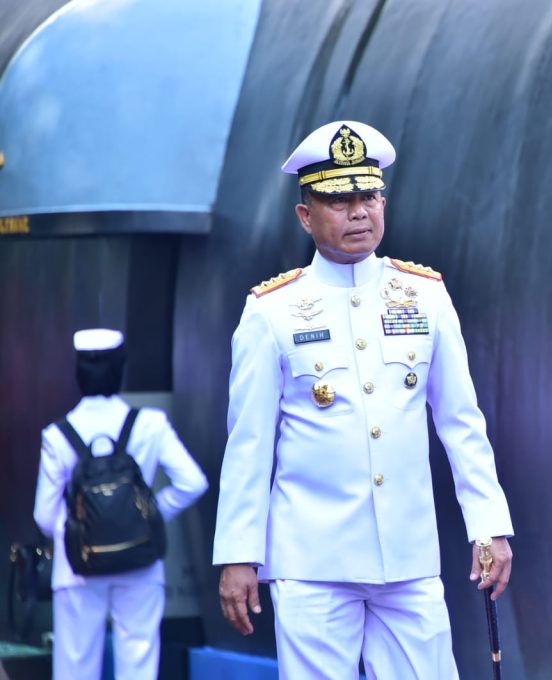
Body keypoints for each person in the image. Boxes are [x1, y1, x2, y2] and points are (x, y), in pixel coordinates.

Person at [212, 120, 514, 679]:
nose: (358, 213)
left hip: (408, 555)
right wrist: (238, 553)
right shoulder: (272, 311)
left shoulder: (424, 296)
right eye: (339, 201)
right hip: (313, 559)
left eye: (369, 197)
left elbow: (460, 421)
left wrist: (489, 523)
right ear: (305, 216)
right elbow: (249, 444)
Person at [33, 328, 208, 680]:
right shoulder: (151, 424)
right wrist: (147, 515)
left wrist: (81, 533)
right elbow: (193, 482)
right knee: (138, 664)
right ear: (119, 369)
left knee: (75, 666)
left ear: (79, 371)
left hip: (77, 569)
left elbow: (44, 516)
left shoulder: (57, 434)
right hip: (140, 563)